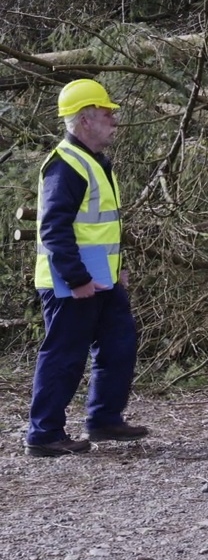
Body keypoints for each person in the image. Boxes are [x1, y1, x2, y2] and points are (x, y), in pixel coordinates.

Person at [25, 79, 148, 457]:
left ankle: (104, 419)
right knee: (65, 356)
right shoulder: (66, 165)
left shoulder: (95, 161)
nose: (114, 121)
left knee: (119, 345)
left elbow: (102, 227)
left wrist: (117, 269)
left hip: (101, 279)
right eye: (107, 113)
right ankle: (44, 435)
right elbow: (54, 229)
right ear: (84, 120)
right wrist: (76, 278)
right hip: (71, 282)